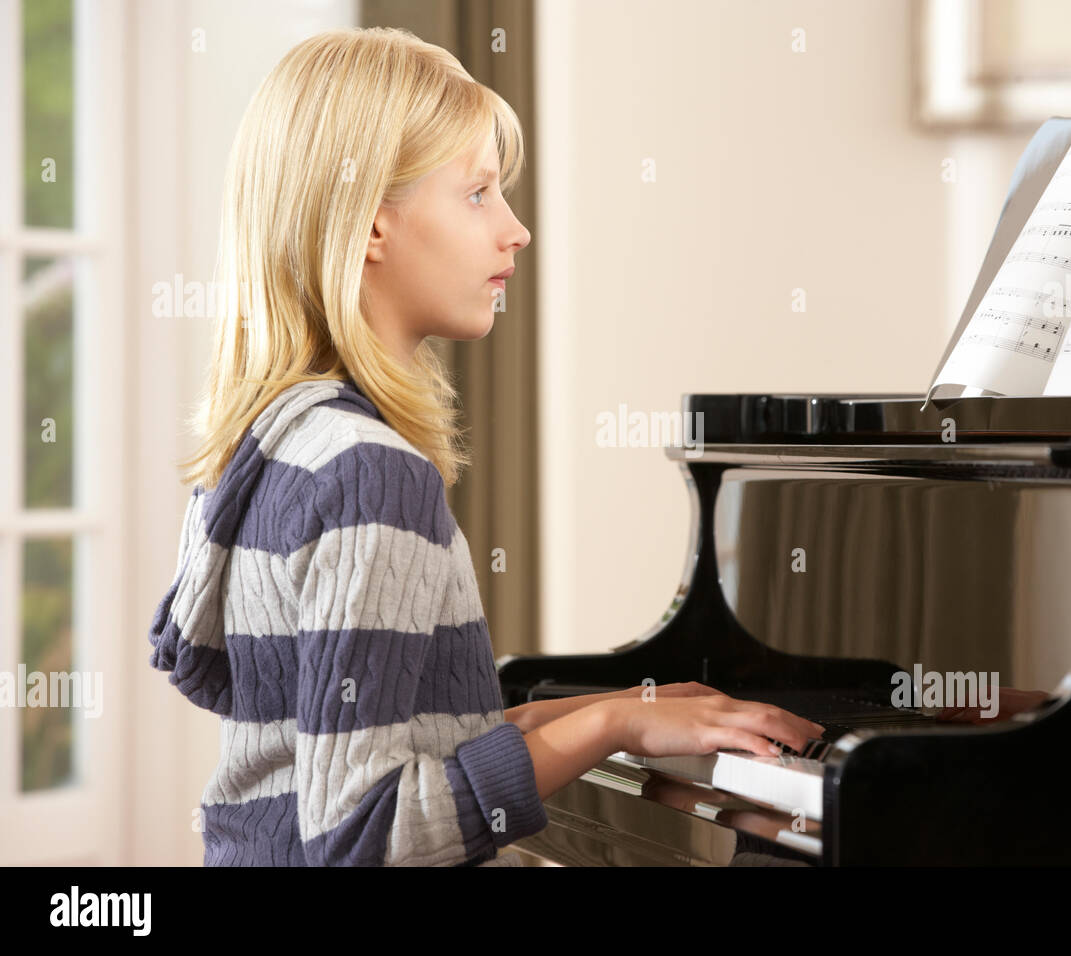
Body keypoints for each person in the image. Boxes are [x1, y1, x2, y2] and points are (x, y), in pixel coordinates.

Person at [146, 26, 822, 867]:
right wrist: (611, 724)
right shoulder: (369, 477)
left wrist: (580, 717)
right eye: (478, 194)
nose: (517, 230)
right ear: (372, 226)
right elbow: (363, 836)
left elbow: (360, 748)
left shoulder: (274, 445)